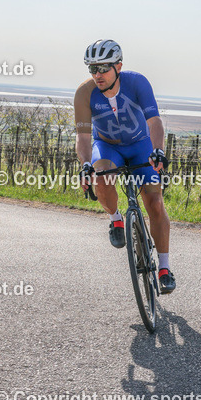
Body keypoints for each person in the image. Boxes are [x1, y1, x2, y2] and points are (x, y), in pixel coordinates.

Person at [74, 39, 175, 293]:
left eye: (103, 68)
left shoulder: (137, 82)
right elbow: (83, 137)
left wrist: (158, 151)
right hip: (108, 146)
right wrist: (85, 165)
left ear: (118, 66)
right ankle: (116, 219)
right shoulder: (84, 93)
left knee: (155, 203)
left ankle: (164, 268)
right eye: (92, 69)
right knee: (101, 177)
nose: (97, 75)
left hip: (141, 144)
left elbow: (154, 121)